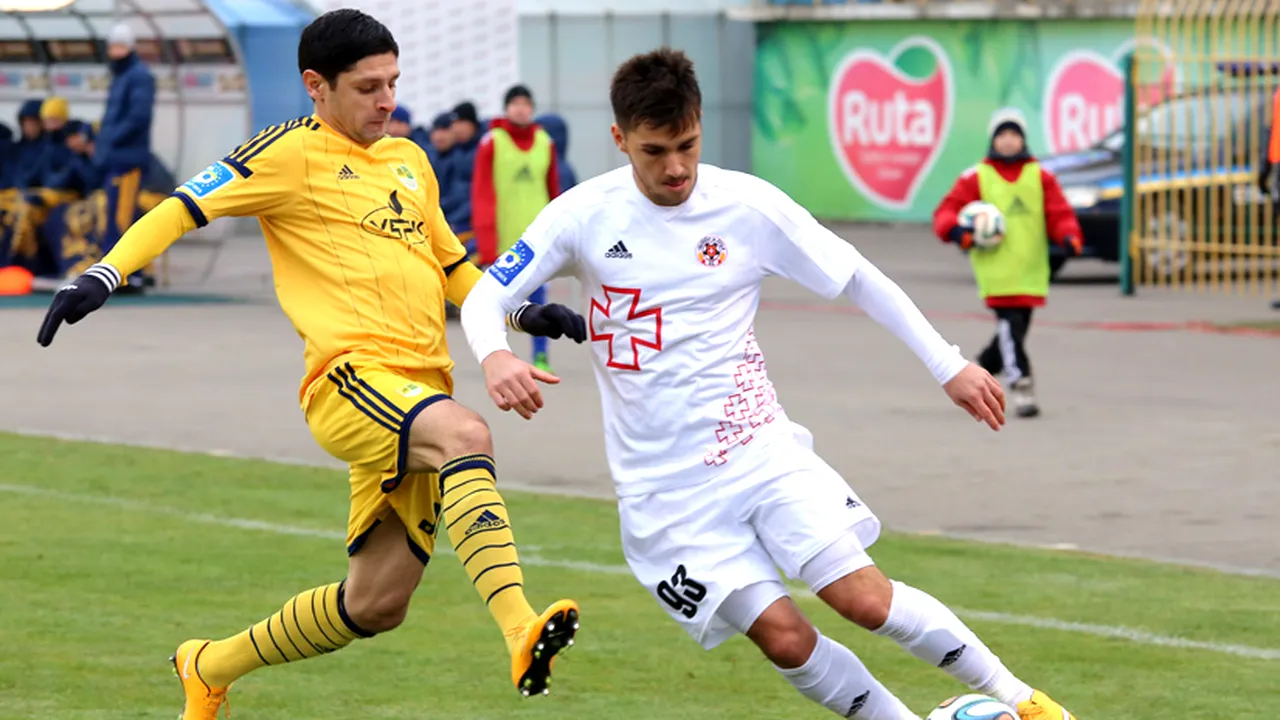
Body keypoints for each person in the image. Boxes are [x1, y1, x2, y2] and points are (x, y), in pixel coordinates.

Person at [461, 48, 1079, 720]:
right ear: (620, 140)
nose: (675, 167)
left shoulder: (747, 205)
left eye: (688, 145)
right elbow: (483, 297)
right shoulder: (583, 215)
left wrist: (948, 364)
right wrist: (495, 356)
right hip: (663, 497)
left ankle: (1029, 703)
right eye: (654, 150)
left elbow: (858, 277)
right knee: (785, 639)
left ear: (701, 126)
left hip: (760, 453)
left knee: (863, 599)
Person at [35, 10, 585, 718]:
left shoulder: (409, 159)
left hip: (418, 389)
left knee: (376, 603)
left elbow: (449, 263)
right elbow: (181, 208)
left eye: (393, 82)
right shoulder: (285, 153)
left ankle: (208, 665)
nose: (387, 100)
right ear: (315, 87)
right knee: (468, 435)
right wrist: (102, 275)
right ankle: (520, 629)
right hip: (350, 382)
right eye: (367, 87)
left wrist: (519, 310)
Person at [932, 109, 1083, 418]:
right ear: (992, 140)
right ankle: (1021, 386)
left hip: (1031, 271)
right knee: (1011, 330)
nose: (1008, 140)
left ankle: (983, 368)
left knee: (1013, 331)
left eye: (1014, 135)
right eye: (1002, 134)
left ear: (1023, 140)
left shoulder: (1041, 176)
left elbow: (1059, 213)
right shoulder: (976, 176)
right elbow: (945, 213)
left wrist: (1069, 236)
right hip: (996, 274)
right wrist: (959, 232)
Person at [472, 84, 561, 371]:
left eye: (526, 104)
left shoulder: (545, 142)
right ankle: (498, 357)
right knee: (498, 303)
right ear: (507, 108)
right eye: (515, 104)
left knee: (539, 300)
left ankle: (541, 355)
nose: (521, 108)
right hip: (503, 241)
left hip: (538, 240)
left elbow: (554, 193)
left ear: (532, 109)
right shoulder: (492, 142)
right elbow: (482, 192)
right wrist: (486, 243)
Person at [93, 22, 157, 289]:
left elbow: (137, 118)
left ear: (129, 48)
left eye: (119, 46)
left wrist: (109, 139)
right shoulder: (122, 76)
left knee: (123, 218)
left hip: (127, 159)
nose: (114, 51)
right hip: (115, 157)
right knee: (114, 216)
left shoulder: (138, 76)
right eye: (112, 46)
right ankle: (118, 272)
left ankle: (127, 274)